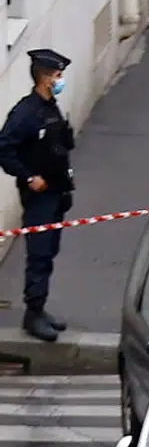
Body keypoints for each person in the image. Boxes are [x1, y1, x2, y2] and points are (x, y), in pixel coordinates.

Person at [0, 49, 75, 342]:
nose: (60, 80)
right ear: (44, 79)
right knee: (39, 253)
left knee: (50, 251)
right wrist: (29, 177)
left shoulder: (49, 107)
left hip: (56, 191)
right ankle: (33, 314)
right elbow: (4, 148)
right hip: (39, 197)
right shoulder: (25, 113)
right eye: (57, 76)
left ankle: (40, 309)